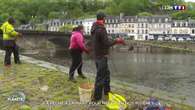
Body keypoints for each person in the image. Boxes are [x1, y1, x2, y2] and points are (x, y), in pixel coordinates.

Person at [91, 12, 125, 102]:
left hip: (97, 56)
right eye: (105, 19)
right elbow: (106, 43)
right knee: (100, 77)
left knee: (106, 74)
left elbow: (102, 41)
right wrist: (117, 40)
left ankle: (107, 91)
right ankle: (96, 98)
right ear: (103, 18)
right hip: (102, 56)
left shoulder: (94, 28)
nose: (105, 20)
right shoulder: (101, 29)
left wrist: (110, 40)